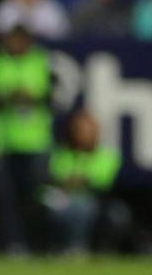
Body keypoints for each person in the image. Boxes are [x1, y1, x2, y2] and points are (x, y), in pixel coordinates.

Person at [0, 24, 54, 256]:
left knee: (36, 196)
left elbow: (53, 97)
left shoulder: (41, 61)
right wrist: (8, 97)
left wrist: (32, 97)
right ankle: (15, 245)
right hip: (5, 140)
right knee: (8, 200)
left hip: (36, 141)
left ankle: (40, 244)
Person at [43, 109, 127, 255]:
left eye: (88, 130)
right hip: (65, 201)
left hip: (96, 201)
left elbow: (102, 182)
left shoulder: (107, 155)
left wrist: (76, 181)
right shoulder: (62, 154)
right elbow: (57, 178)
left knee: (87, 208)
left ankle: (80, 248)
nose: (84, 134)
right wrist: (79, 181)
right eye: (79, 130)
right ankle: (65, 248)